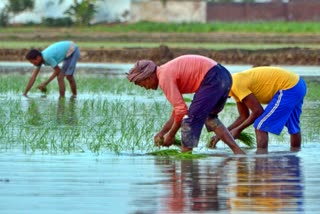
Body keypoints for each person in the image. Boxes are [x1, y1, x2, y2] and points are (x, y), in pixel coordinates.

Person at [127, 54, 245, 154]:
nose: (145, 88)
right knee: (210, 118)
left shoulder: (164, 77)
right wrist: (163, 132)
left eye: (142, 84)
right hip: (224, 76)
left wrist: (171, 134)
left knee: (190, 120)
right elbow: (177, 111)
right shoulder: (165, 72)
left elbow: (182, 111)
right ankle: (238, 152)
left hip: (212, 77)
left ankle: (186, 159)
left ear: (148, 77)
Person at [209, 66, 307, 152]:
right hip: (298, 84)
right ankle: (295, 155)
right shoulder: (232, 85)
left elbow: (258, 111)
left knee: (260, 125)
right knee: (293, 126)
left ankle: (261, 160)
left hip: (288, 87)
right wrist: (222, 135)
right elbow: (243, 116)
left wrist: (238, 130)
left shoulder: (235, 85)